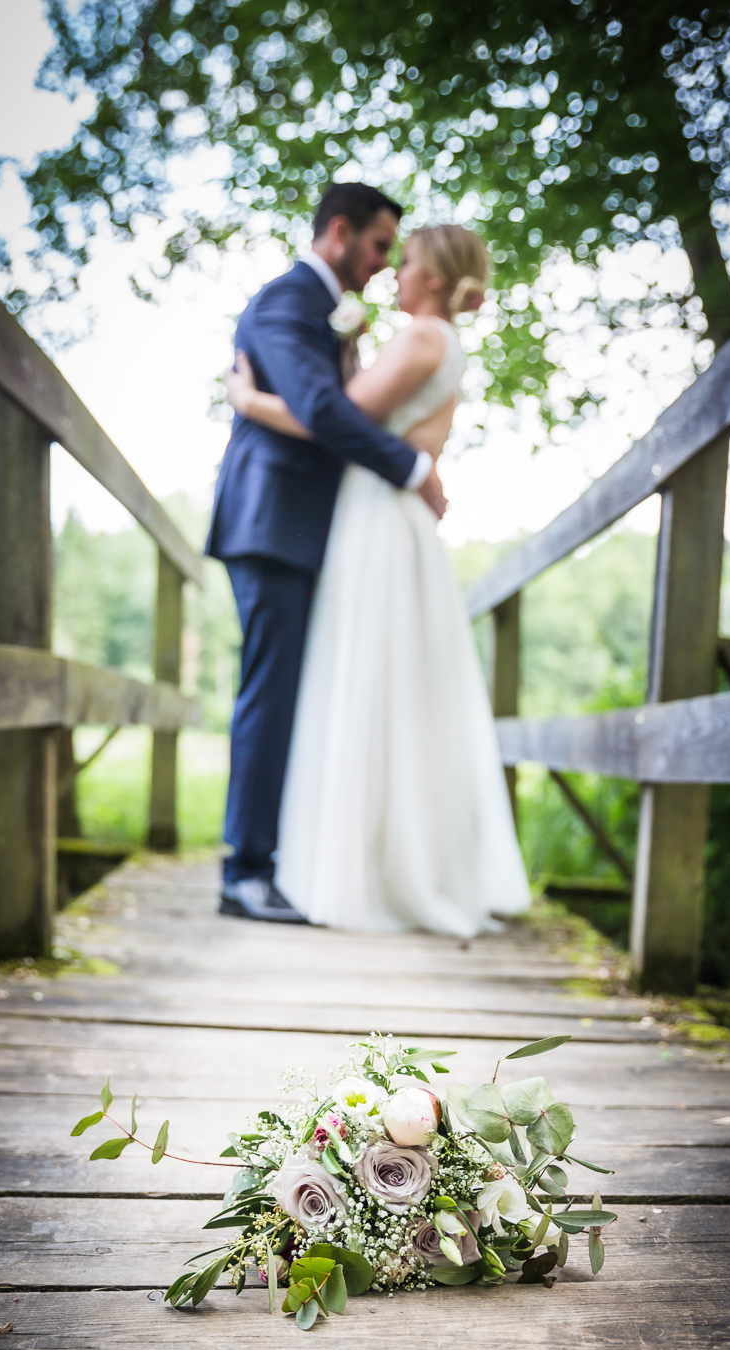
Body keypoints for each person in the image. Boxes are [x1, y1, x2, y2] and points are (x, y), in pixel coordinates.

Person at [226, 224, 531, 936]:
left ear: (433, 276)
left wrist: (248, 404)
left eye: (409, 260)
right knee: (384, 687)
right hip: (377, 512)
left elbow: (335, 418)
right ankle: (383, 858)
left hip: (381, 518)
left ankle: (379, 868)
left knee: (371, 683)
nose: (395, 271)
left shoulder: (424, 337)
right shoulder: (430, 339)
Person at [207, 182, 448, 923]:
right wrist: (411, 469)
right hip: (273, 522)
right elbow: (320, 410)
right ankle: (245, 873)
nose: (382, 263)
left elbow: (330, 405)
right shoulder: (288, 301)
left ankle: (276, 861)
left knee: (291, 696)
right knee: (271, 696)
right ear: (338, 232)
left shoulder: (323, 311)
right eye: (379, 245)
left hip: (304, 525)